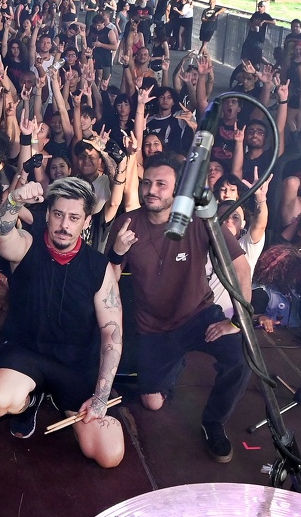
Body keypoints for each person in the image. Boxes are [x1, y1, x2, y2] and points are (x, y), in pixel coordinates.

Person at [106, 153, 251, 464]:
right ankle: (174, 366)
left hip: (198, 315)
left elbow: (240, 267)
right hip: (153, 328)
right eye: (146, 183)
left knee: (241, 357)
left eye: (161, 184)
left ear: (176, 189)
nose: (151, 190)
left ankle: (213, 422)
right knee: (152, 403)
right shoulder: (127, 222)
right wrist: (117, 253)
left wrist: (238, 320)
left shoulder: (200, 221)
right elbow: (109, 282)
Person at [0, 178, 124, 467]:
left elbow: (112, 334)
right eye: (58, 214)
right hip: (27, 351)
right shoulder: (27, 246)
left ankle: (61, 401)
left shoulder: (98, 267)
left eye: (73, 217)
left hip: (76, 362)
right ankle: (30, 400)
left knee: (109, 455)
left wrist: (100, 397)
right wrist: (14, 199)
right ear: (47, 214)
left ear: (86, 221)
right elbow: (1, 234)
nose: (64, 225)